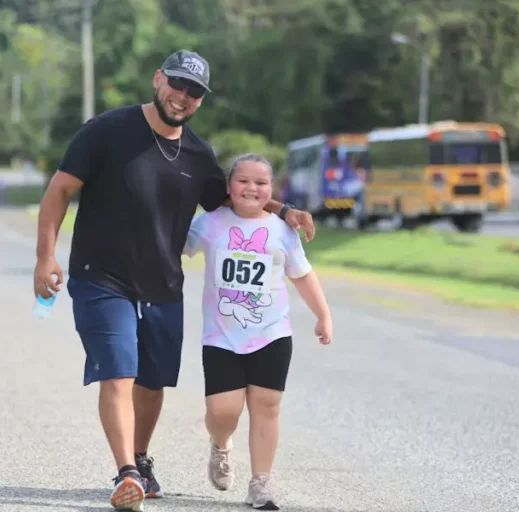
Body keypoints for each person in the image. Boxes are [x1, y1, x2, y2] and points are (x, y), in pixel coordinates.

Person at [32, 50, 316, 512]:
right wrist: (45, 257)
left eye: (194, 92)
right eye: (177, 84)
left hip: (163, 283)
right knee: (119, 370)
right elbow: (59, 190)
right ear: (158, 78)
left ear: (201, 100)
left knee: (151, 382)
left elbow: (237, 203)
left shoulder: (200, 156)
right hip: (100, 277)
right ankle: (126, 473)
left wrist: (283, 210)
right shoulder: (106, 131)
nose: (181, 97)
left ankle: (140, 460)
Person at [183, 153, 332, 510]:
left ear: (272, 189)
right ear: (229, 187)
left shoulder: (283, 230)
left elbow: (303, 275)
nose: (252, 188)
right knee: (223, 412)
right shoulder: (209, 224)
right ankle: (221, 446)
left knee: (267, 406)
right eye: (243, 181)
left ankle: (261, 483)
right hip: (221, 337)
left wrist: (323, 315)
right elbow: (172, 248)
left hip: (272, 335)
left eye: (261, 182)